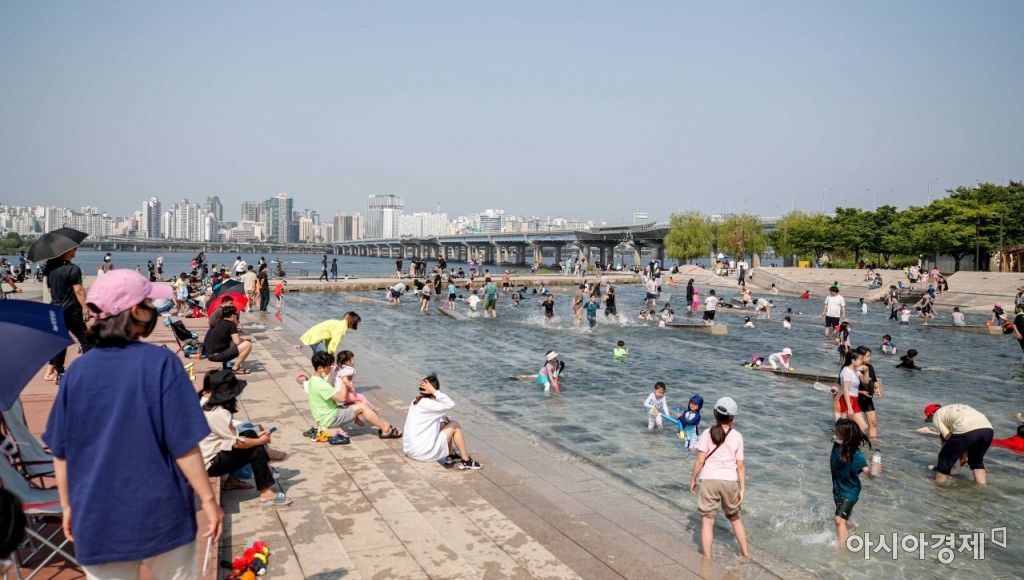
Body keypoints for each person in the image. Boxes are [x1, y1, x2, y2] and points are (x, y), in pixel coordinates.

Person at [42, 269, 222, 576]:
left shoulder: (77, 372)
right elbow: (184, 446)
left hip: (96, 517)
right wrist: (208, 500)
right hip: (162, 514)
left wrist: (67, 505)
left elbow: (62, 452)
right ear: (136, 311)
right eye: (149, 303)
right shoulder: (162, 363)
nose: (152, 310)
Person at [200, 370, 292, 506]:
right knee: (256, 449)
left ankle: (266, 473)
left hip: (209, 455)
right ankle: (266, 493)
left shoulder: (209, 406)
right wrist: (261, 441)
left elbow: (231, 436)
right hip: (209, 464)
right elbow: (237, 443)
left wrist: (256, 437)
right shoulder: (219, 413)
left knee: (250, 434)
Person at [688, 397, 749, 560]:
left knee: (707, 521)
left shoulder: (707, 433)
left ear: (715, 414)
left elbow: (700, 460)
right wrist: (742, 489)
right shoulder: (737, 436)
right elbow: (740, 465)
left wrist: (693, 479)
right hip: (730, 481)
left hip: (709, 479)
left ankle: (707, 558)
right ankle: (745, 554)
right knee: (735, 518)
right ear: (733, 418)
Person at [306, 351, 403, 441]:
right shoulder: (321, 384)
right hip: (330, 418)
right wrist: (344, 380)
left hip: (324, 417)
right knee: (363, 407)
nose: (331, 368)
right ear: (320, 368)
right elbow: (342, 398)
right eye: (329, 366)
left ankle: (383, 424)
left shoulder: (314, 380)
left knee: (356, 403)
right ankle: (385, 430)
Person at [402, 374, 482, 470]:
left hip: (410, 451)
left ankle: (451, 455)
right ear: (433, 389)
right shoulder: (430, 404)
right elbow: (450, 404)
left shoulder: (416, 401)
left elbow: (435, 416)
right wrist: (435, 392)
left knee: (445, 422)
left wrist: (444, 420)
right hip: (422, 453)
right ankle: (466, 460)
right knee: (455, 425)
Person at [44, 246, 93, 381]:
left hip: (55, 309)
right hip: (72, 310)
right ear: (66, 251)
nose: (75, 251)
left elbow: (50, 289)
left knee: (60, 341)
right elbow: (78, 290)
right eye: (73, 249)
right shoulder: (73, 269)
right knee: (86, 340)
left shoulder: (50, 269)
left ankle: (60, 373)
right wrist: (85, 307)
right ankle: (88, 369)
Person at [831, 419, 879, 548]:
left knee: (839, 520)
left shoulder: (856, 455)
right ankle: (851, 529)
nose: (834, 434)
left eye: (837, 432)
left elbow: (870, 475)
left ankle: (841, 550)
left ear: (846, 436)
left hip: (850, 491)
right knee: (843, 521)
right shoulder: (836, 444)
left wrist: (874, 470)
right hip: (838, 489)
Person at [920, 403, 994, 485]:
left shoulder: (937, 415)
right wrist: (964, 454)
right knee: (976, 461)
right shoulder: (953, 408)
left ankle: (938, 484)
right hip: (988, 430)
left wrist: (948, 457)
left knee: (945, 457)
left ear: (932, 414)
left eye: (930, 419)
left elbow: (948, 437)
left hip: (966, 429)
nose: (931, 420)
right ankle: (982, 487)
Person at [205, 306, 253, 374]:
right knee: (248, 345)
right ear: (233, 315)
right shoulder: (231, 325)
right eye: (236, 314)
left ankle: (226, 366)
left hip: (210, 353)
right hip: (216, 355)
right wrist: (244, 340)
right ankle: (236, 368)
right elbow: (237, 342)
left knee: (235, 343)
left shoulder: (220, 321)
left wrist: (241, 338)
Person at [837, 350, 870, 433]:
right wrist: (849, 408)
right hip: (848, 401)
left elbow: (865, 381)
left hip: (854, 400)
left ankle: (854, 441)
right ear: (852, 360)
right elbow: (845, 390)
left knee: (863, 428)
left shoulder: (855, 370)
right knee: (847, 429)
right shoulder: (847, 371)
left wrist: (867, 371)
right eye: (860, 359)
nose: (861, 361)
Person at [856, 347, 882, 440]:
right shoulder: (854, 368)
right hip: (856, 399)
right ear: (860, 356)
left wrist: (877, 388)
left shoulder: (870, 367)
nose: (870, 358)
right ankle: (858, 442)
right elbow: (848, 388)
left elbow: (874, 380)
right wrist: (861, 392)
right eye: (868, 356)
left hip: (868, 399)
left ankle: (873, 443)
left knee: (873, 423)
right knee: (859, 426)